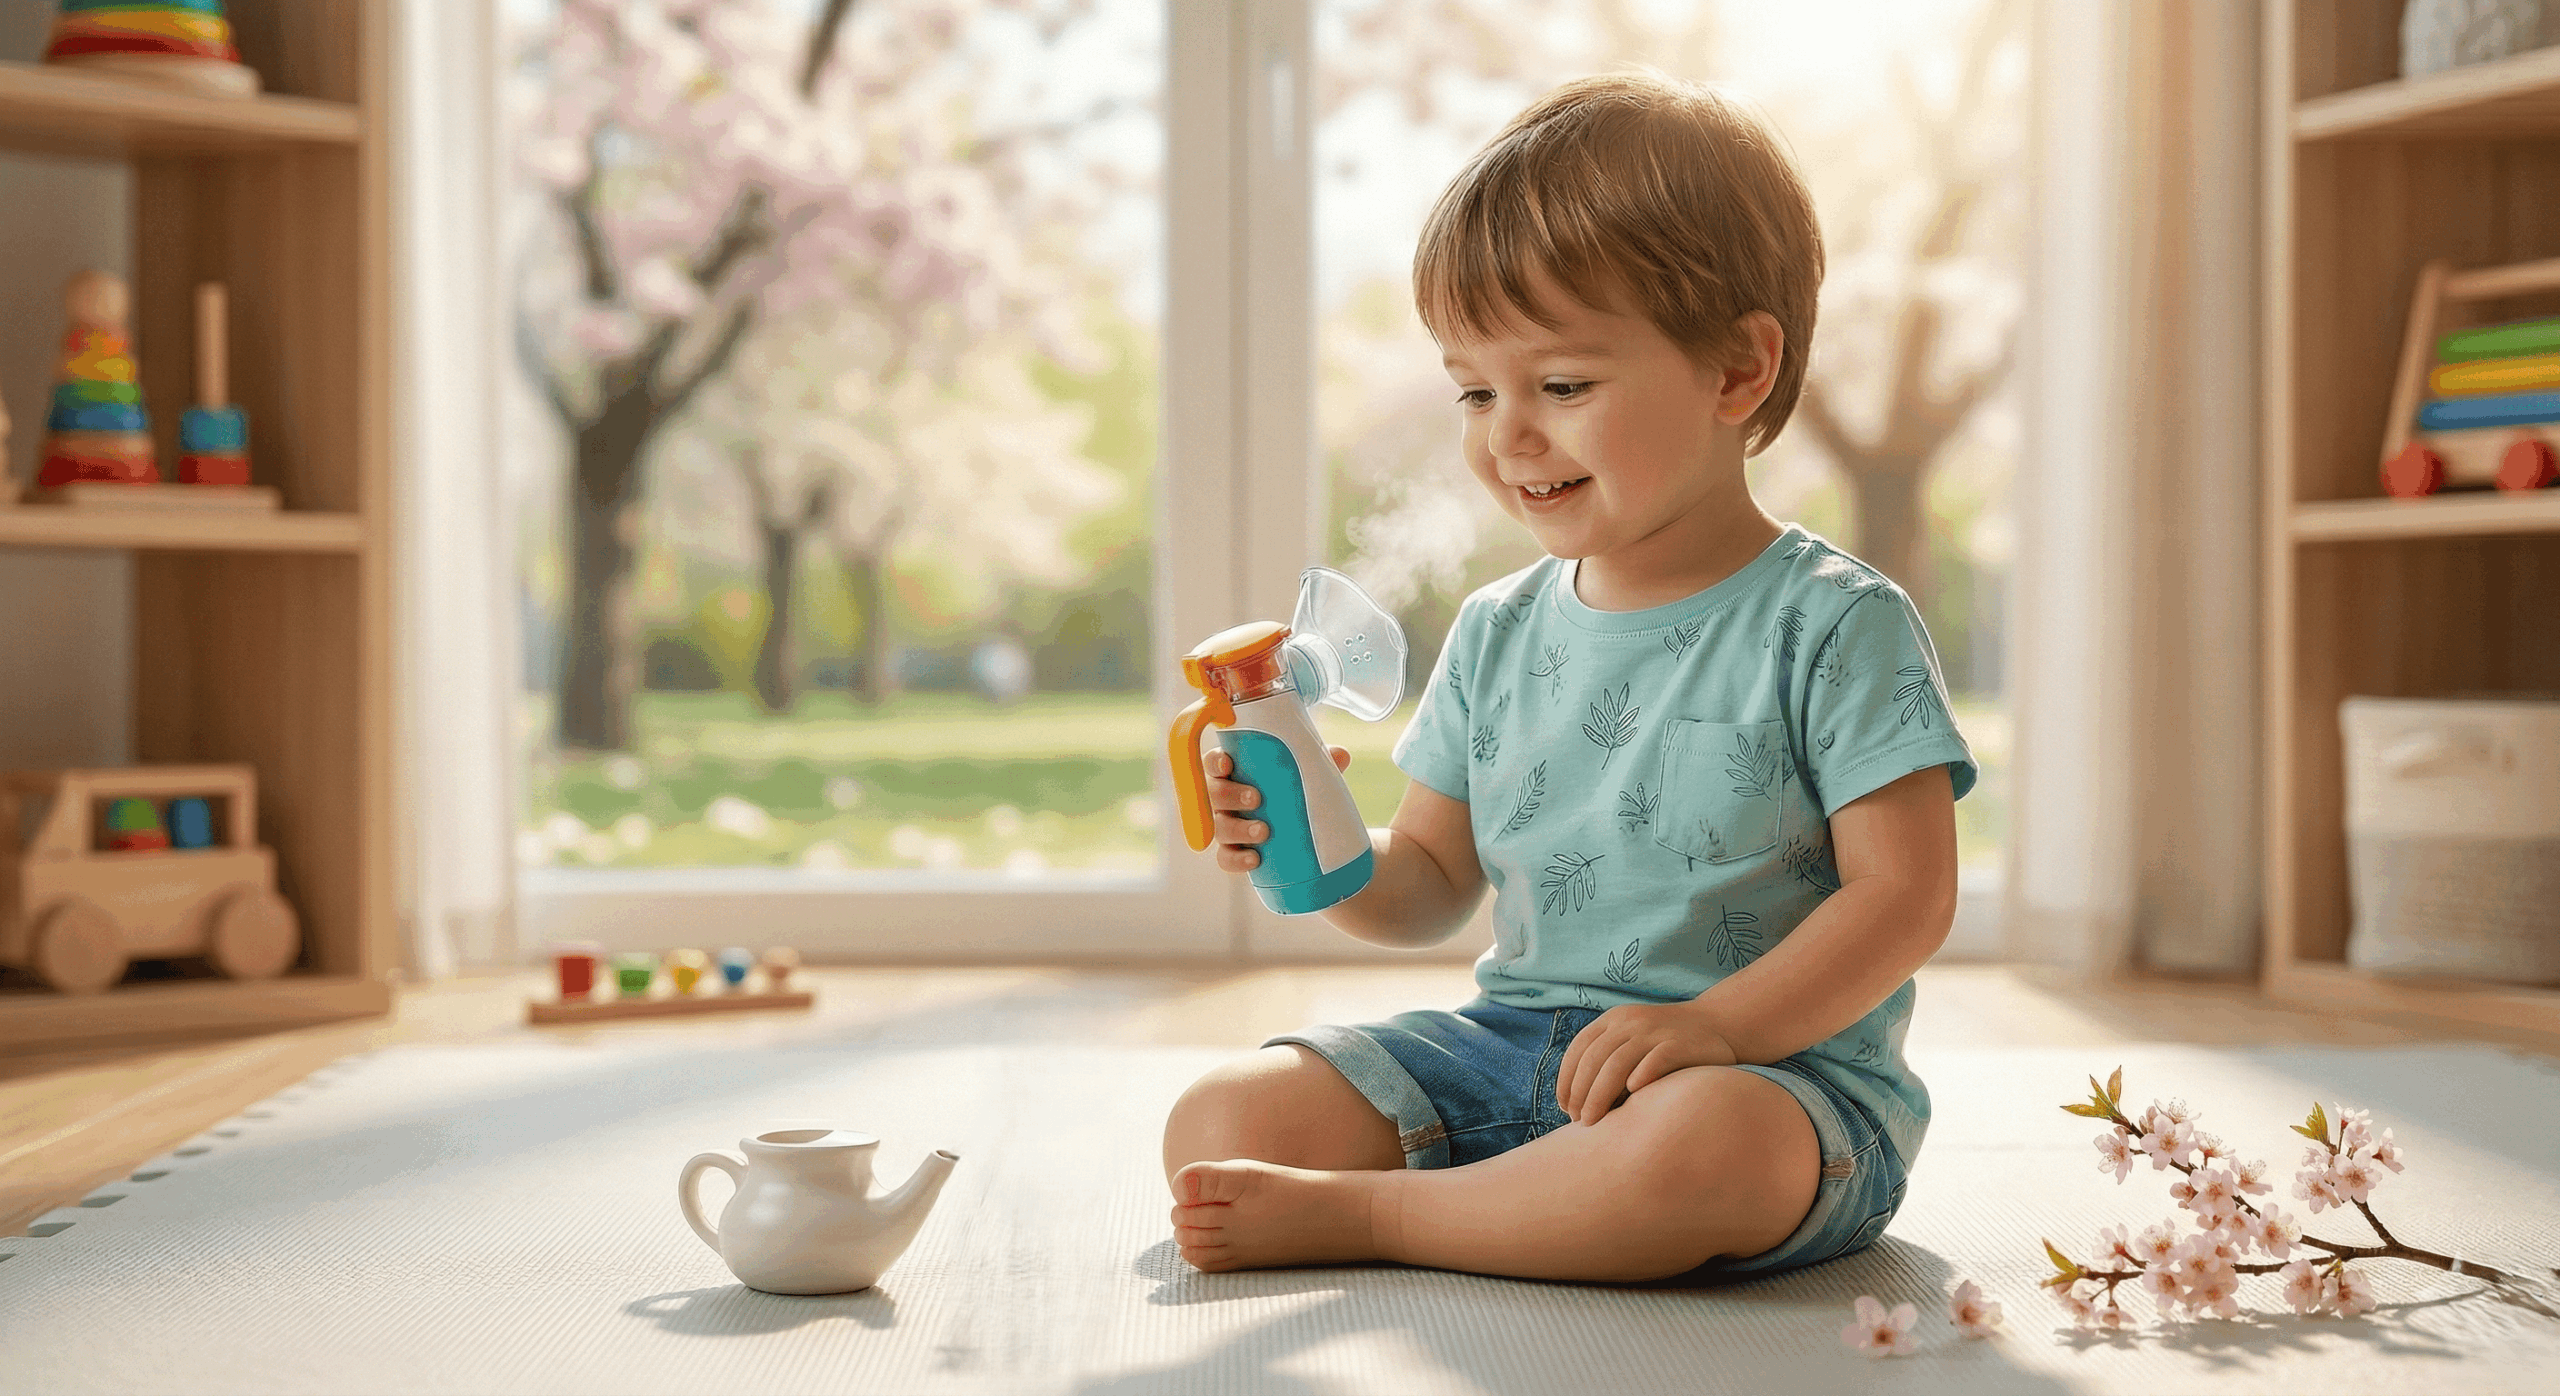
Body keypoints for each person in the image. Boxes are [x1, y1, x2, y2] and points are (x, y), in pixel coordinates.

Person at [1159, 70, 1977, 1284]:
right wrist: (1316, 835)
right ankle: (1527, 1203)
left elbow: (1904, 899)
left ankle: (1387, 1219)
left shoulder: (1834, 622)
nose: (1506, 437)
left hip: (1769, 1082)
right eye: (1474, 391)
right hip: (1516, 1049)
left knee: (1692, 1149)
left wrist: (1716, 1028)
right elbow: (1426, 886)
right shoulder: (1496, 630)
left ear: (1737, 372)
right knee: (1220, 1120)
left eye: (1560, 386)